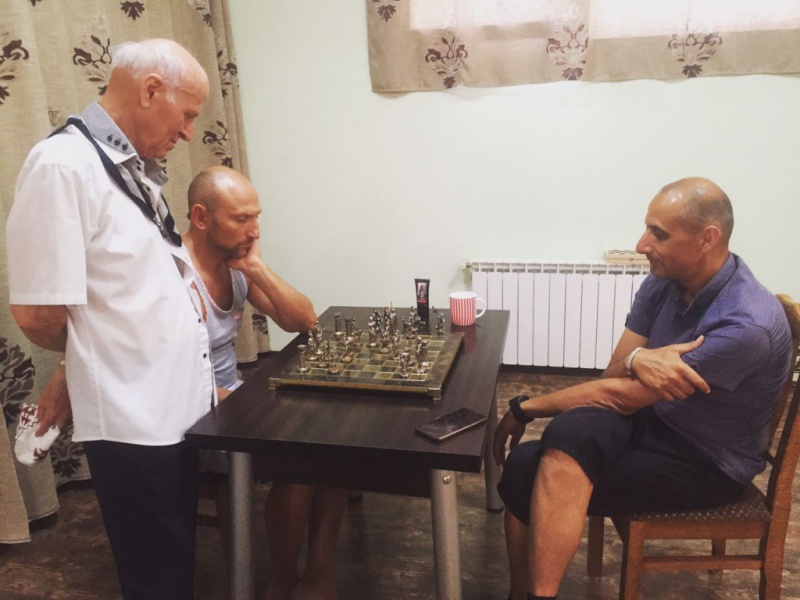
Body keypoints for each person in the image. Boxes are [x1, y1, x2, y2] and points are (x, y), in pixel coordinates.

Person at [492, 177, 793, 600]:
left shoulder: (744, 324)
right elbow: (613, 378)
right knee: (563, 435)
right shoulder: (664, 280)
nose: (641, 244)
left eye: (659, 233)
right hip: (658, 420)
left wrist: (524, 408)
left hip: (707, 461)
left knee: (527, 469)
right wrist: (637, 359)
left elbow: (620, 395)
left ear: (708, 238)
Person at [7, 39, 213, 599]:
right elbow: (36, 312)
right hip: (133, 418)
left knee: (173, 563)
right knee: (156, 576)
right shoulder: (62, 166)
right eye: (187, 114)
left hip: (173, 408)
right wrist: (94, 358)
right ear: (150, 90)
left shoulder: (128, 167)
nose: (189, 132)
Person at [184, 166, 348, 600]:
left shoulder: (236, 264)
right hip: (191, 414)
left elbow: (305, 320)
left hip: (232, 400)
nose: (254, 230)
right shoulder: (174, 276)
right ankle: (281, 581)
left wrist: (256, 266)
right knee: (298, 455)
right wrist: (260, 410)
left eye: (257, 217)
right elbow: (176, 380)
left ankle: (319, 577)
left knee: (337, 442)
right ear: (201, 218)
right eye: (241, 219)